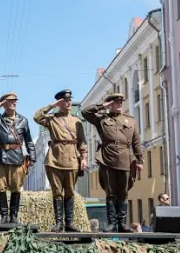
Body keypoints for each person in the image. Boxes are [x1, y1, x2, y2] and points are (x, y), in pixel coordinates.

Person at [82, 93, 142, 233]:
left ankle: (122, 223)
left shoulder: (130, 121)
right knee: (110, 192)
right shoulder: (102, 119)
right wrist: (103, 106)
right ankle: (111, 223)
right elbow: (85, 112)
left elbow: (136, 141)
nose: (120, 104)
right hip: (107, 158)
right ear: (109, 104)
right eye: (116, 102)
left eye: (121, 102)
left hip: (125, 158)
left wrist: (140, 160)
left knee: (123, 192)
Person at [33, 89, 87, 232]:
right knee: (57, 192)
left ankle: (69, 223)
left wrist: (84, 158)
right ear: (59, 102)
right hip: (54, 160)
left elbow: (82, 141)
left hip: (71, 160)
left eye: (69, 100)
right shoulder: (52, 119)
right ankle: (58, 223)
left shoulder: (77, 121)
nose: (68, 102)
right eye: (65, 100)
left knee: (69, 192)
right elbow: (37, 117)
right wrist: (52, 105)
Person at [0, 92, 35, 224]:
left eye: (15, 100)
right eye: (10, 101)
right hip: (1, 157)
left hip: (16, 157)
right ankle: (3, 216)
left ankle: (13, 216)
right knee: (1, 187)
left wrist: (32, 156)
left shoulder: (23, 120)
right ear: (3, 103)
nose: (14, 102)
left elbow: (29, 141)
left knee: (16, 187)